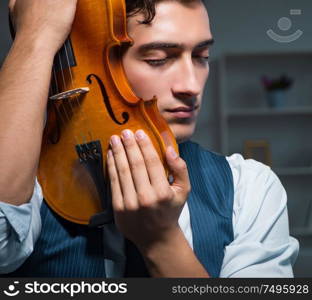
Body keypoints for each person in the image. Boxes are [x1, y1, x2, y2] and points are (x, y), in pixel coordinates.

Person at [0, 0, 298, 277]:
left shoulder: (249, 187)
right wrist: (36, 37)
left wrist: (161, 241)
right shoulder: (26, 187)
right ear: (93, 60)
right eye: (157, 59)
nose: (191, 86)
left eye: (201, 57)